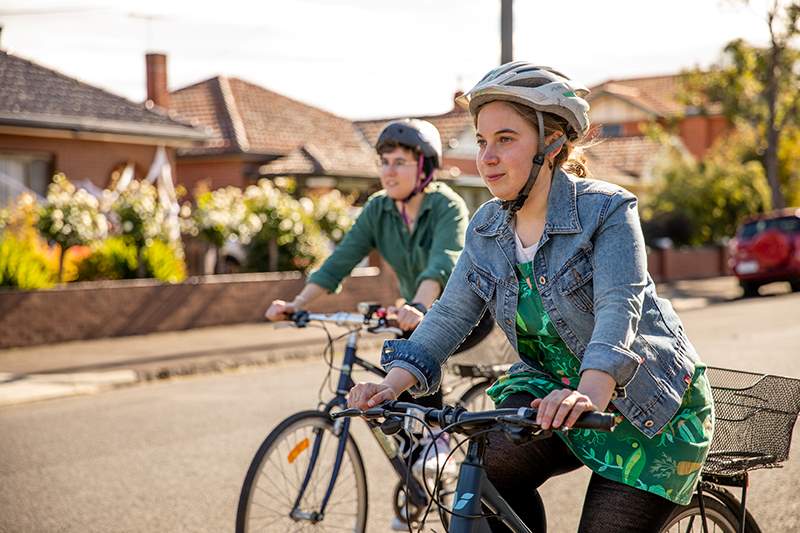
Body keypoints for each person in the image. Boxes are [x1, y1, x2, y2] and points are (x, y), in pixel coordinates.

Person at [347, 62, 715, 533]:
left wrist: (590, 391)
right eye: (482, 141)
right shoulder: (487, 227)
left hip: (645, 409)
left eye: (505, 139)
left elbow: (619, 307)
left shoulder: (607, 210)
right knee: (483, 477)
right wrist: (392, 383)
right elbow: (451, 313)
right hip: (552, 396)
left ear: (553, 144)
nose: (487, 157)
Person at [265, 118, 490, 530]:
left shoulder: (446, 206)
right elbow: (340, 260)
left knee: (415, 351)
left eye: (400, 162)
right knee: (391, 397)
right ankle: (418, 487)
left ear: (425, 168)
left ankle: (438, 449)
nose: (388, 170)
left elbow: (443, 262)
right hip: (415, 314)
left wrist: (420, 307)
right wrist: (294, 304)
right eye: (384, 161)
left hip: (465, 314)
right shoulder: (378, 209)